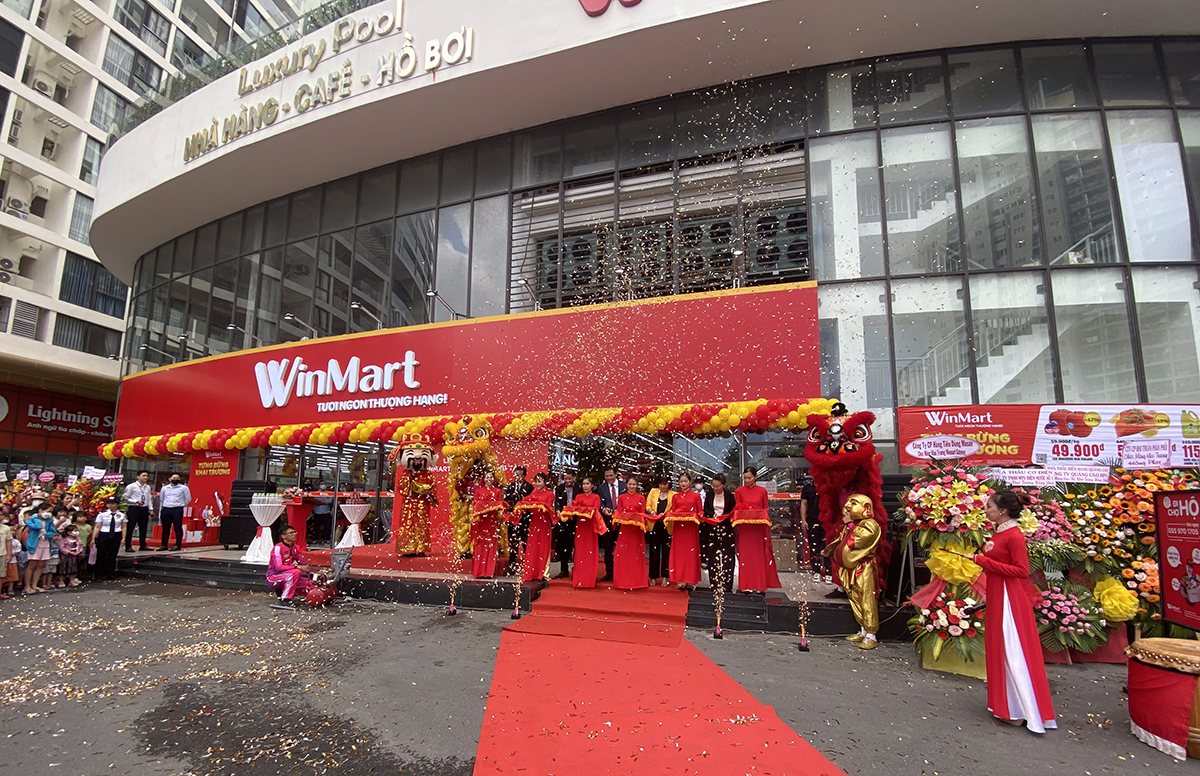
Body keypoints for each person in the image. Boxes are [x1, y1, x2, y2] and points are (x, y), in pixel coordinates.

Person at [974, 490, 1057, 734]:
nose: (986, 510)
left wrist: (982, 561)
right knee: (1000, 648)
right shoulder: (999, 532)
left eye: (989, 506)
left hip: (1009, 597)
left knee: (1012, 649)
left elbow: (1021, 571)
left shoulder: (1014, 535)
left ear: (1002, 511)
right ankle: (1007, 705)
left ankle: (1020, 710)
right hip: (998, 593)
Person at [824, 494, 882, 649]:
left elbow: (860, 540)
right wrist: (830, 550)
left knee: (867, 599)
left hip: (864, 568)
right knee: (855, 598)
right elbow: (842, 540)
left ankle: (871, 635)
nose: (848, 506)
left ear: (866, 508)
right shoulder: (853, 524)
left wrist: (849, 524)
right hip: (849, 569)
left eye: (853, 503)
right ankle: (863, 630)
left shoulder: (870, 524)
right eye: (848, 502)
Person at [733, 467, 781, 594]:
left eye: (750, 478)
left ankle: (760, 584)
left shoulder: (762, 491)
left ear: (756, 477)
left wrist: (756, 514)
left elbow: (766, 509)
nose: (747, 480)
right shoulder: (739, 491)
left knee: (759, 556)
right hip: (745, 529)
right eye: (745, 478)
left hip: (758, 529)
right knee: (745, 556)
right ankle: (745, 584)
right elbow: (737, 509)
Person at [510, 473, 557, 582]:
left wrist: (537, 504)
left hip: (544, 523)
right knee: (533, 547)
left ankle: (544, 573)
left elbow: (548, 507)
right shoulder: (533, 494)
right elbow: (525, 502)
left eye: (540, 481)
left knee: (544, 547)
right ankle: (532, 572)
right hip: (534, 523)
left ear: (545, 482)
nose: (537, 484)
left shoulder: (550, 494)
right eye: (536, 481)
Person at [564, 476, 605, 588]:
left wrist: (581, 509)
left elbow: (595, 510)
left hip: (591, 527)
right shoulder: (578, 496)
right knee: (580, 551)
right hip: (581, 526)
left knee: (590, 551)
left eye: (587, 484)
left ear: (592, 485)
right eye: (584, 484)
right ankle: (579, 578)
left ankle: (589, 578)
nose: (585, 486)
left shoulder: (596, 497)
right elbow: (574, 508)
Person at [665, 472, 703, 590]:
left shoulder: (696, 496)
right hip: (679, 529)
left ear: (690, 482)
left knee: (691, 553)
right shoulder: (675, 497)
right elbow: (674, 511)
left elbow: (700, 512)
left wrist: (694, 516)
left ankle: (691, 580)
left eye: (685, 481)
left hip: (690, 528)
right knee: (680, 554)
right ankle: (680, 580)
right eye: (681, 481)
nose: (683, 484)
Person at [701, 473, 737, 594]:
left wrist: (724, 516)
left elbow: (733, 510)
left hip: (726, 528)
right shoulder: (709, 495)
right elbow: (706, 509)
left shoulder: (730, 496)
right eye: (713, 486)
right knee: (712, 557)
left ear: (723, 485)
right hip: (712, 528)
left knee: (728, 557)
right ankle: (714, 583)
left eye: (718, 486)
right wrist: (713, 515)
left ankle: (727, 585)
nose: (715, 488)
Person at [612, 475, 649, 590]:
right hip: (625, 529)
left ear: (637, 486)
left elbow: (642, 513)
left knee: (636, 553)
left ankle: (637, 580)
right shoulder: (621, 497)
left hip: (636, 530)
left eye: (634, 484)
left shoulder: (641, 498)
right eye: (630, 484)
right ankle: (622, 580)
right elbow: (619, 511)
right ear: (626, 485)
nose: (631, 486)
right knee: (623, 554)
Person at [266, 525, 317, 605]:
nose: (294, 534)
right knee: (296, 572)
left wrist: (313, 575)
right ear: (283, 536)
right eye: (291, 533)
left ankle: (284, 591)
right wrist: (297, 567)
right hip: (274, 577)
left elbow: (303, 563)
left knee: (313, 585)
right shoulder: (278, 548)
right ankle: (285, 599)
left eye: (295, 532)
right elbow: (278, 567)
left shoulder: (296, 547)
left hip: (290, 575)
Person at [470, 473, 506, 579]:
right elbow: (476, 506)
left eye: (491, 477)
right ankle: (479, 571)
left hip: (492, 521)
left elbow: (500, 504)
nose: (489, 479)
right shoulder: (478, 491)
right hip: (482, 522)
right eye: (487, 477)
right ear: (484, 479)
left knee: (491, 544)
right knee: (480, 544)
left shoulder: (497, 491)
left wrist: (489, 506)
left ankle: (488, 572)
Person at [504, 466, 535, 575]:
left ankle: (527, 567)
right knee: (513, 543)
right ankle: (512, 566)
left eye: (520, 475)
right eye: (516, 474)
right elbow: (506, 501)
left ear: (524, 475)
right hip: (512, 519)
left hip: (524, 519)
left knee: (525, 542)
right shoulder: (509, 486)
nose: (518, 477)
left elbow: (531, 503)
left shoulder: (529, 487)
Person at [800, 475, 831, 584]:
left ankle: (828, 572)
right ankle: (816, 571)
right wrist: (803, 520)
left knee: (827, 546)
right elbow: (803, 503)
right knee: (814, 546)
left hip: (826, 520)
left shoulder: (827, 487)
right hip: (812, 520)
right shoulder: (808, 488)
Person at [645, 476, 674, 587]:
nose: (663, 486)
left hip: (667, 525)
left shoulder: (673, 494)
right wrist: (651, 511)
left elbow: (675, 508)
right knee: (653, 551)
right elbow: (647, 505)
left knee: (666, 552)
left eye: (665, 484)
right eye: (661, 484)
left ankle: (665, 577)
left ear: (669, 484)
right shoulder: (653, 492)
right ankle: (653, 577)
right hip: (654, 524)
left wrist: (666, 514)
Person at [597, 467, 625, 582]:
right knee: (608, 548)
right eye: (607, 476)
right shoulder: (602, 487)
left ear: (616, 474)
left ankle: (622, 572)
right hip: (607, 521)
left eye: (611, 475)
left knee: (622, 548)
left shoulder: (624, 485)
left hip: (622, 521)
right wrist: (603, 509)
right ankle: (609, 572)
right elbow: (600, 502)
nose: (609, 478)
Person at [22, 502, 56, 593]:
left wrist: (46, 535)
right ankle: (27, 586)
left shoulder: (49, 520)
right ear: (40, 510)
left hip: (45, 543)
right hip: (34, 543)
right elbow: (37, 527)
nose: (49, 514)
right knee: (32, 564)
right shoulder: (31, 519)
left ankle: (34, 585)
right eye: (47, 511)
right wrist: (35, 517)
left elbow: (53, 531)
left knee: (40, 565)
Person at [552, 471, 579, 579]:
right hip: (563, 518)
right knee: (563, 544)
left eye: (569, 479)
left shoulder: (579, 488)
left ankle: (577, 569)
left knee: (576, 544)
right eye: (566, 479)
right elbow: (557, 501)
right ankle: (564, 569)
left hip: (576, 519)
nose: (568, 481)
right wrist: (558, 510)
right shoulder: (559, 488)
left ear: (574, 478)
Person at [93, 497, 126, 581]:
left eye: (113, 504)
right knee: (101, 554)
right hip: (104, 534)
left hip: (116, 534)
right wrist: (93, 538)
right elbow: (97, 526)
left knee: (112, 554)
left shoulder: (121, 515)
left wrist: (123, 538)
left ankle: (110, 573)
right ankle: (98, 574)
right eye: (109, 504)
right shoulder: (102, 514)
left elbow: (123, 527)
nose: (111, 505)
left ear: (117, 505)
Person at [122, 470, 154, 551]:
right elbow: (124, 497)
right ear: (138, 477)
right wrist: (135, 501)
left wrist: (151, 509)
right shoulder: (131, 486)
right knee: (131, 527)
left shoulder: (147, 487)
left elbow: (149, 499)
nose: (145, 477)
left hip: (144, 508)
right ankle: (128, 546)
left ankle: (143, 545)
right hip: (134, 508)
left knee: (143, 527)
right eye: (143, 476)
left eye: (147, 476)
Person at [158, 474, 190, 551]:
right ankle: (164, 545)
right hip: (166, 508)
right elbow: (162, 498)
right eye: (174, 478)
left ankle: (177, 545)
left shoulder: (184, 488)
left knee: (177, 528)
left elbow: (188, 499)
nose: (175, 479)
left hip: (177, 509)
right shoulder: (164, 488)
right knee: (165, 528)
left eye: (177, 478)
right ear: (169, 479)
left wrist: (181, 505)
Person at [309, 480, 334, 545]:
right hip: (317, 511)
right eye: (321, 484)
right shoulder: (315, 493)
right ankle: (316, 538)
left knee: (327, 526)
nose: (323, 485)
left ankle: (327, 539)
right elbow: (314, 500)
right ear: (319, 485)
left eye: (324, 484)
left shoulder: (329, 493)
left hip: (326, 511)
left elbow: (329, 501)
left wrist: (321, 502)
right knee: (316, 526)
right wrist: (322, 502)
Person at [0, 512, 10, 599]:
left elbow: (8, 541)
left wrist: (8, 554)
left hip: (2, 553)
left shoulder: (6, 528)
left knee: (1, 574)